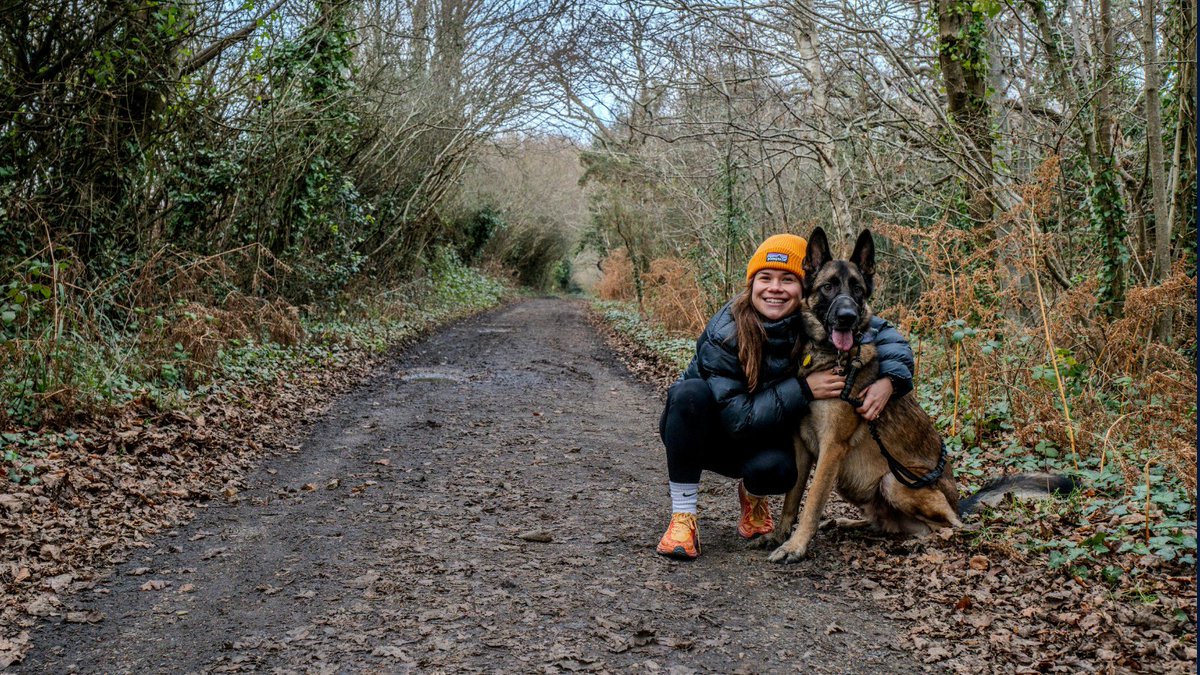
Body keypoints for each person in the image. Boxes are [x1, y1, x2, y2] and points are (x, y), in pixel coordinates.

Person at [655, 233, 915, 559]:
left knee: (779, 468)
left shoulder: (810, 318)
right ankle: (683, 515)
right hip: (705, 432)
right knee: (688, 394)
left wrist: (891, 379)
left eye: (787, 279)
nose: (775, 288)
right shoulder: (727, 331)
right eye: (765, 278)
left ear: (802, 288)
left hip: (756, 431)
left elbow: (883, 333)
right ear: (751, 284)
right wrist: (805, 388)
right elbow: (738, 419)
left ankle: (753, 498)